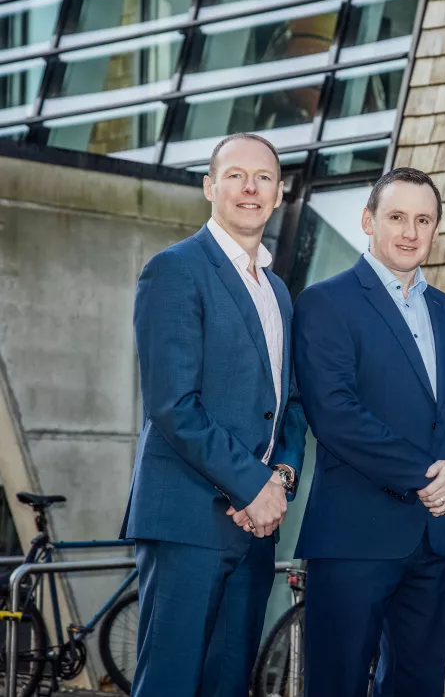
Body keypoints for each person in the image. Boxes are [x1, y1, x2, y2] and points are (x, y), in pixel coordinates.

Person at [293, 167, 445, 697]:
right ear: (368, 220)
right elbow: (336, 414)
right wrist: (429, 475)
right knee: (336, 685)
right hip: (354, 536)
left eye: (423, 220)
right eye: (397, 217)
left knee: (418, 685)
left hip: (433, 541)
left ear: (435, 230)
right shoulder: (326, 302)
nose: (410, 231)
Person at [123, 133, 306, 697]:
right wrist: (253, 484)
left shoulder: (278, 291)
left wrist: (280, 481)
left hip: (255, 526)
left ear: (279, 194)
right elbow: (173, 404)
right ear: (210, 188)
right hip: (188, 520)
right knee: (171, 684)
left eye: (263, 178)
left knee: (228, 685)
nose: (250, 188)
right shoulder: (174, 270)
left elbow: (292, 403)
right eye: (235, 176)